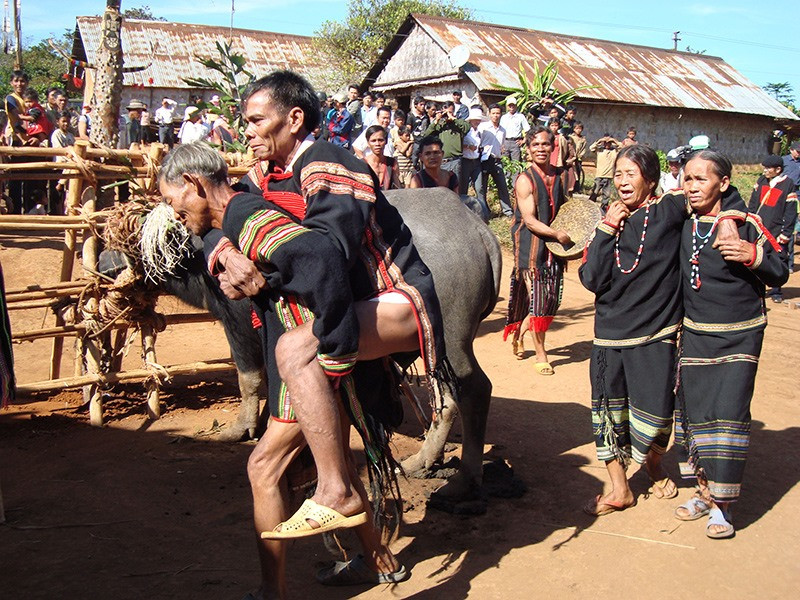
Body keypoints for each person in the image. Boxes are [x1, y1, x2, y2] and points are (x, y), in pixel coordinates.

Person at [216, 70, 455, 590]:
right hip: (346, 309)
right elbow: (239, 213)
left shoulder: (326, 161)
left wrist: (266, 272)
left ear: (294, 118)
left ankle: (335, 492)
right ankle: (370, 544)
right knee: (307, 379)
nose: (248, 131)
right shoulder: (269, 175)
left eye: (257, 120)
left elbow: (330, 253)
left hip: (395, 299)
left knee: (297, 351)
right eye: (245, 122)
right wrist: (227, 245)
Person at [159, 143, 409, 597]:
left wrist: (333, 349)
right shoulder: (252, 196)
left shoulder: (252, 213)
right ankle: (380, 559)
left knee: (264, 466)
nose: (175, 212)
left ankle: (272, 591)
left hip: (304, 353)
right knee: (333, 456)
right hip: (301, 347)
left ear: (194, 184)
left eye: (173, 201)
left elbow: (319, 260)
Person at [578, 145, 741, 516]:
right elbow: (591, 279)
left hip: (655, 334)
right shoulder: (608, 222)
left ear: (650, 180)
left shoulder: (669, 208)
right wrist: (605, 229)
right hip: (609, 336)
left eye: (630, 174)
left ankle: (652, 463)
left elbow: (718, 186)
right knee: (607, 413)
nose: (622, 181)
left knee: (657, 415)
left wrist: (730, 216)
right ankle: (620, 488)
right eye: (618, 174)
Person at [673, 150, 788, 539]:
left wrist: (754, 255)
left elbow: (780, 271)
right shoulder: (686, 221)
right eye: (687, 178)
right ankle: (704, 492)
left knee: (729, 413)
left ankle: (723, 507)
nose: (691, 186)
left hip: (739, 333)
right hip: (695, 334)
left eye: (701, 179)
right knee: (696, 413)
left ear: (723, 183)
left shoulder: (747, 223)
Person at [504, 128, 571, 374]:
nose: (541, 149)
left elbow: (568, 209)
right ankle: (541, 354)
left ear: (553, 147)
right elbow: (530, 220)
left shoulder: (561, 176)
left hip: (555, 247)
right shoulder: (525, 179)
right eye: (536, 145)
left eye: (545, 144)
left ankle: (520, 331)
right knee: (540, 301)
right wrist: (556, 234)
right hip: (531, 247)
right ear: (528, 149)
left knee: (551, 301)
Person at [747, 155, 798, 302]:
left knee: (776, 261)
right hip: (759, 229)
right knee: (758, 259)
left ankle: (776, 290)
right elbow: (753, 204)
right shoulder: (761, 182)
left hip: (776, 231)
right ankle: (758, 289)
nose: (765, 171)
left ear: (778, 169)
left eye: (768, 168)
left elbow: (790, 213)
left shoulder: (788, 185)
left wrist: (785, 233)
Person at [423, 101, 469, 192]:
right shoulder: (440, 125)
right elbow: (426, 136)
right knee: (440, 190)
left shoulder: (458, 124)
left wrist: (453, 118)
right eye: (446, 112)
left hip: (454, 161)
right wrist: (436, 121)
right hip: (441, 161)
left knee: (455, 190)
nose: (447, 115)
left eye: (450, 112)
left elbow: (467, 127)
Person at [478, 103, 513, 217]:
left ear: (501, 114)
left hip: (497, 160)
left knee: (502, 186)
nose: (495, 116)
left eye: (498, 113)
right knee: (482, 188)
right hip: (484, 160)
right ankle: (484, 212)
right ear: (489, 114)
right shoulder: (482, 128)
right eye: (493, 113)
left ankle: (507, 211)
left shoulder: (503, 130)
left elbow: (501, 145)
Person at [462, 107, 487, 217]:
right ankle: (464, 213)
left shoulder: (479, 133)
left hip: (476, 161)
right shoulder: (465, 131)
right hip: (465, 161)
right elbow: (459, 144)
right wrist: (468, 146)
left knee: (479, 188)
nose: (477, 121)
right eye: (476, 119)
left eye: (479, 120)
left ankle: (483, 213)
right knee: (463, 188)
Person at [50, 112, 76, 214]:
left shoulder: (70, 135)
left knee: (67, 193)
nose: (66, 124)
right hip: (60, 165)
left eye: (67, 122)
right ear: (58, 122)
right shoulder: (56, 134)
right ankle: (56, 214)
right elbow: (58, 149)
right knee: (57, 196)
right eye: (63, 121)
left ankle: (65, 213)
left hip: (69, 165)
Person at [360, 125, 399, 190]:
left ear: (386, 141)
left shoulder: (392, 163)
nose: (377, 144)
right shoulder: (362, 164)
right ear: (368, 143)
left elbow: (397, 187)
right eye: (373, 141)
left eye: (380, 140)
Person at [589, 134, 621, 207]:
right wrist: (600, 140)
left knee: (606, 194)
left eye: (609, 142)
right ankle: (590, 206)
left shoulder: (614, 151)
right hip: (599, 175)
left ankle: (603, 208)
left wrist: (614, 141)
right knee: (595, 192)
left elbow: (622, 148)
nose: (607, 144)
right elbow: (591, 148)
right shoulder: (599, 150)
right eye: (605, 142)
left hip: (609, 176)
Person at [500, 96, 530, 162]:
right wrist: (501, 144)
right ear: (507, 107)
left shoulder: (521, 117)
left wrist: (523, 141)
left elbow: (527, 130)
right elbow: (500, 131)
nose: (511, 107)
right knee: (505, 163)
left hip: (515, 143)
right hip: (505, 142)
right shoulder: (504, 117)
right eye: (510, 106)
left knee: (515, 164)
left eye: (513, 105)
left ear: (516, 106)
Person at [569, 121, 587, 194]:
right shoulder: (571, 137)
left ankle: (577, 188)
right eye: (576, 128)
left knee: (578, 173)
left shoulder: (583, 139)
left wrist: (580, 156)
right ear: (574, 129)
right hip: (571, 158)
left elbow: (584, 149)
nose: (578, 130)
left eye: (580, 128)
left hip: (578, 159)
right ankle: (570, 186)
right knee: (571, 172)